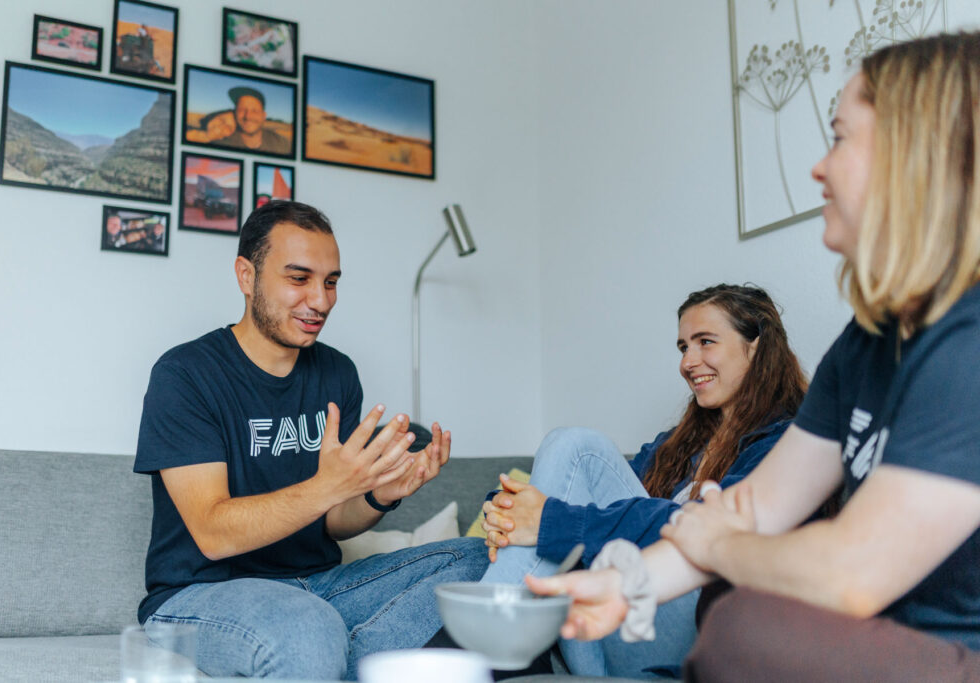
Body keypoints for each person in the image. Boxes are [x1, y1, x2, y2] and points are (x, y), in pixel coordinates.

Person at [529, 32, 980, 683]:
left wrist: (722, 545)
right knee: (736, 607)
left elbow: (849, 572)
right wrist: (632, 581)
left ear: (917, 154)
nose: (819, 168)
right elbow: (758, 508)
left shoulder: (967, 340)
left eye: (840, 137)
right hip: (888, 637)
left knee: (746, 625)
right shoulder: (866, 343)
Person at [133, 200, 489, 680]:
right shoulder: (186, 375)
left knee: (477, 561)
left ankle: (325, 657)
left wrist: (379, 495)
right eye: (298, 279)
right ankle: (340, 652)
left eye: (331, 282)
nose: (320, 300)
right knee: (306, 625)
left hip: (320, 585)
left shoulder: (338, 373)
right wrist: (331, 484)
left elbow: (333, 523)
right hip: (201, 594)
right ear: (246, 275)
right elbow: (214, 534)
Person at [481, 283, 806, 676]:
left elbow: (709, 534)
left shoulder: (783, 443)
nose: (689, 361)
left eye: (705, 342)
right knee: (566, 474)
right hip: (605, 620)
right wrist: (506, 509)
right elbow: (601, 509)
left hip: (692, 624)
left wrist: (548, 519)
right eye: (684, 347)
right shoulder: (675, 445)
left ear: (756, 347)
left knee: (579, 447)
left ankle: (473, 651)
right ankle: (491, 651)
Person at [216, 86, 291, 155]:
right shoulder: (221, 143)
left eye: (254, 111)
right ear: (234, 113)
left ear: (263, 116)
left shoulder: (282, 145)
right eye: (241, 110)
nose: (248, 116)